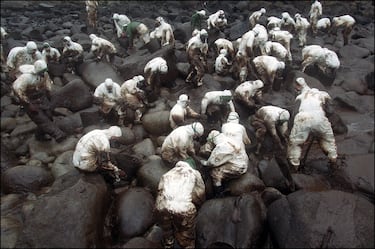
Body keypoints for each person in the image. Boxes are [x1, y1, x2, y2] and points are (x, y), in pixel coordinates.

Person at [287, 77, 337, 172]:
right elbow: (330, 110)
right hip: (320, 117)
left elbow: (294, 114)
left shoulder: (299, 98)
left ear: (298, 88)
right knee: (328, 140)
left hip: (302, 118)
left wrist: (290, 130)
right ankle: (333, 161)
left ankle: (294, 166)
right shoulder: (322, 94)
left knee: (295, 143)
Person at [155, 159, 206, 249]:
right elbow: (199, 193)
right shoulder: (194, 173)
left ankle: (168, 243)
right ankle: (187, 246)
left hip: (164, 205)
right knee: (187, 233)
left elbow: (160, 190)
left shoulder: (167, 174)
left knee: (166, 227)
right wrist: (199, 205)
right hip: (183, 208)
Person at [12, 59, 67, 142]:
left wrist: (49, 95)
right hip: (30, 100)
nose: (44, 72)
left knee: (48, 116)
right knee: (41, 118)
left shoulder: (44, 75)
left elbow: (47, 85)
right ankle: (57, 134)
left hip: (42, 97)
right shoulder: (26, 77)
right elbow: (17, 88)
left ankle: (39, 135)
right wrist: (28, 104)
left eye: (45, 71)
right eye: (42, 71)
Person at [200, 129, 248, 197]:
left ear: (213, 140)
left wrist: (204, 163)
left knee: (215, 172)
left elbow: (212, 163)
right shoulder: (228, 138)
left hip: (238, 167)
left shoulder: (221, 146)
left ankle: (219, 193)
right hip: (242, 160)